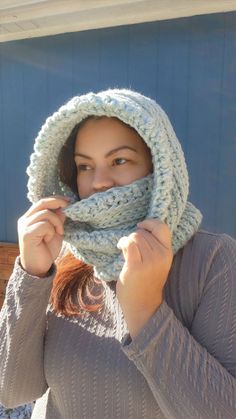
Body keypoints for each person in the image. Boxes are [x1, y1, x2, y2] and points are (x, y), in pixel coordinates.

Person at [0, 89, 235, 419]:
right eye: (84, 166)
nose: (99, 182)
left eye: (119, 160)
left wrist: (145, 309)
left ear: (160, 166)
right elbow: (12, 391)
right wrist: (32, 275)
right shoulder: (69, 256)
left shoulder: (214, 260)